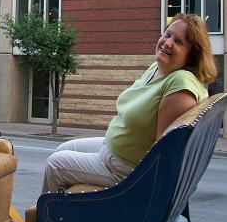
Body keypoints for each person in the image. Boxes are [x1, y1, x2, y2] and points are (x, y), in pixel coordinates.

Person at [41, 13, 217, 193]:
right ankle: (70, 211)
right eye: (167, 34)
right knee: (64, 147)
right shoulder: (158, 67)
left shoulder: (181, 87)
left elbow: (164, 154)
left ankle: (50, 219)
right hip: (111, 150)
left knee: (55, 164)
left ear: (192, 55)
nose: (167, 42)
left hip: (125, 169)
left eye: (179, 42)